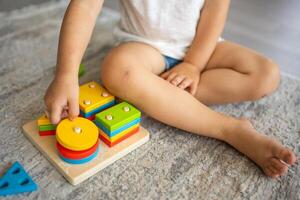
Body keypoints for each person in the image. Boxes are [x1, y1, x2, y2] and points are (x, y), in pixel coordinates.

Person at [44, 0, 296, 178]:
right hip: (145, 48)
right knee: (117, 70)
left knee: (266, 74)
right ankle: (229, 129)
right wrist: (66, 73)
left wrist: (193, 64)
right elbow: (85, 6)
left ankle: (164, 98)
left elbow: (215, 9)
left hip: (201, 45)